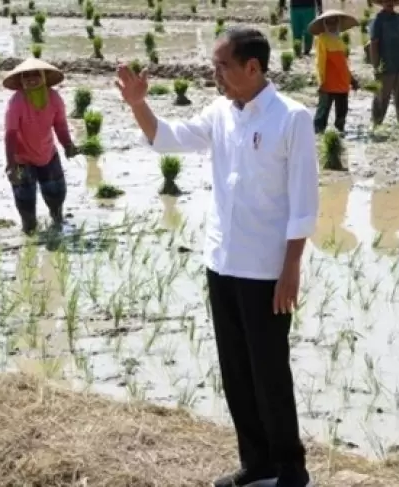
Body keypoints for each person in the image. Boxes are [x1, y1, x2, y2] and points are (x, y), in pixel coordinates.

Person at [116, 25, 319, 487]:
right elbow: (168, 137)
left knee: (269, 370)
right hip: (222, 263)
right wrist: (138, 105)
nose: (215, 74)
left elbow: (304, 202)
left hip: (265, 269)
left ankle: (291, 468)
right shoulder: (221, 114)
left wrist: (291, 267)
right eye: (214, 65)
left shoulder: (291, 118)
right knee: (236, 370)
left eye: (222, 66)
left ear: (253, 67)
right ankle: (258, 463)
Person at [2, 58, 79, 235]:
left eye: (35, 74)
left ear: (44, 77)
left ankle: (57, 224)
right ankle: (29, 233)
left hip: (47, 154)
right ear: (21, 80)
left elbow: (60, 125)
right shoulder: (17, 102)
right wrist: (11, 165)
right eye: (26, 76)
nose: (31, 79)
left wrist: (67, 144)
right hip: (22, 159)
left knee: (56, 196)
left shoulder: (54, 98)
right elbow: (10, 134)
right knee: (26, 203)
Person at [309, 10, 359, 133]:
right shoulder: (322, 39)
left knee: (342, 112)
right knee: (322, 113)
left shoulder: (339, 40)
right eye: (329, 22)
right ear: (324, 24)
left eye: (334, 22)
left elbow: (343, 64)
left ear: (338, 23)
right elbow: (320, 62)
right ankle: (318, 134)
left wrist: (351, 80)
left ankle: (339, 134)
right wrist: (321, 81)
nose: (332, 25)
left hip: (342, 83)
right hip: (328, 83)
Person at [368, 0, 399, 125]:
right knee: (381, 98)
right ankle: (376, 124)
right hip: (385, 65)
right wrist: (376, 66)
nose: (389, 2)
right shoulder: (377, 21)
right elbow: (374, 44)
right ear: (381, 2)